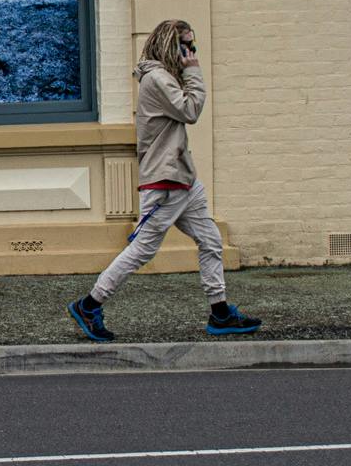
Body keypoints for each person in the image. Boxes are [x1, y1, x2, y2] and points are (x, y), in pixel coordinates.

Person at [67, 20, 261, 340]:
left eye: (192, 47)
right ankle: (90, 304)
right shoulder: (157, 78)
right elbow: (191, 109)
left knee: (211, 241)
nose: (190, 52)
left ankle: (220, 312)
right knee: (143, 250)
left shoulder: (163, 77)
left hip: (183, 178)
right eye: (186, 45)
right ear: (171, 46)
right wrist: (194, 70)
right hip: (165, 182)